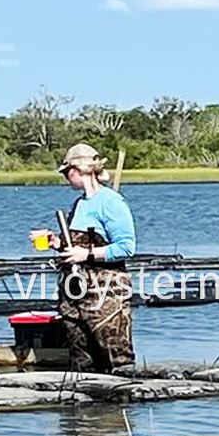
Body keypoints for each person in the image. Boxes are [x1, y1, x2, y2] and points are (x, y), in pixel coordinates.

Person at [29, 143, 136, 372]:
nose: (66, 178)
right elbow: (74, 246)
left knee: (116, 358)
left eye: (67, 172)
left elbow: (126, 247)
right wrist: (56, 243)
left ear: (77, 170)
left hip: (106, 293)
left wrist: (86, 254)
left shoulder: (111, 202)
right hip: (74, 292)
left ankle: (122, 406)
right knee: (81, 358)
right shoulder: (79, 204)